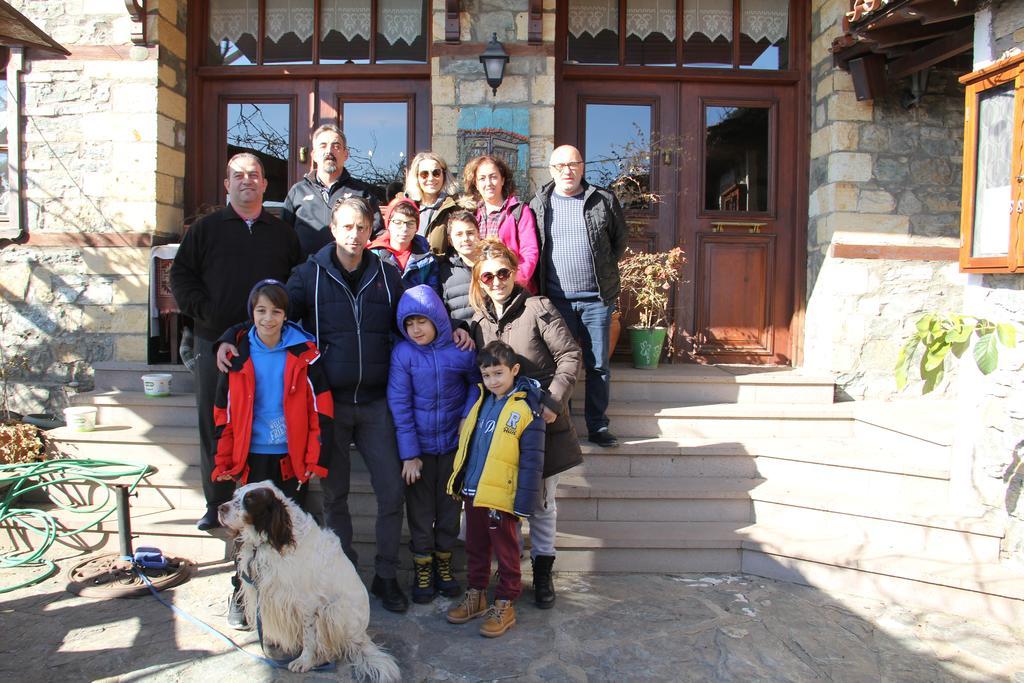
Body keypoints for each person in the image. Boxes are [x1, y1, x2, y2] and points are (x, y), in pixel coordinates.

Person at [216, 197, 473, 613]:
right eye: (346, 227)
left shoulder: (388, 276)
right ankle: (346, 572)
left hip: (377, 404)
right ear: (333, 229)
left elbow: (420, 310)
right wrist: (232, 333)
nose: (354, 235)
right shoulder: (308, 275)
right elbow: (271, 311)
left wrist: (456, 326)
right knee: (335, 497)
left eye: (361, 228)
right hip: (329, 405)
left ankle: (386, 575)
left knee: (392, 493)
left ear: (371, 231)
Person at [170, 152, 302, 531]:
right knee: (216, 425)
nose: (247, 180)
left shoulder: (282, 233)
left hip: (268, 346)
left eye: (254, 175)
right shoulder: (206, 230)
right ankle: (217, 503)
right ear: (227, 184)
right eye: (238, 175)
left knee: (266, 420)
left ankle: (270, 504)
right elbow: (181, 277)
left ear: (264, 184)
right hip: (215, 343)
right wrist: (205, 313)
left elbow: (296, 281)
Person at [467, 238, 583, 609]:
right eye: (488, 276)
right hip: (499, 432)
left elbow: (569, 354)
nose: (497, 281)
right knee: (501, 502)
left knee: (543, 503)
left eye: (503, 272)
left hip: (541, 424)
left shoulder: (537, 308)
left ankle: (543, 569)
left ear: (514, 272)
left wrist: (552, 401)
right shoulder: (477, 321)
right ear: (479, 280)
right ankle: (507, 569)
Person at [210, 279, 333, 629]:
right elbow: (223, 411)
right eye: (261, 311)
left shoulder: (304, 352)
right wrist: (224, 458)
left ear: (285, 314)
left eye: (275, 311)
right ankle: (241, 595)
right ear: (251, 313)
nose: (268, 319)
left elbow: (320, 409)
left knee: (285, 532)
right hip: (250, 456)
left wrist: (314, 458)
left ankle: (286, 600)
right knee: (245, 533)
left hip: (289, 458)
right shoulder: (236, 352)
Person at [530, 144, 628, 449]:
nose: (567, 171)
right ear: (551, 170)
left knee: (598, 365)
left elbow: (618, 243)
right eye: (560, 166)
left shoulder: (603, 200)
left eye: (572, 164)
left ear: (582, 167)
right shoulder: (538, 204)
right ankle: (564, 427)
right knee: (563, 366)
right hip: (556, 300)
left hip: (596, 298)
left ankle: (598, 426)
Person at [445, 340, 544, 638]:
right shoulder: (481, 401)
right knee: (475, 545)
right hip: (475, 492)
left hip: (503, 497)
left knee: (507, 550)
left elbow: (532, 461)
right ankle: (476, 594)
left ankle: (505, 601)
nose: (493, 381)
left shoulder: (526, 407)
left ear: (514, 370)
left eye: (498, 374)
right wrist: (460, 481)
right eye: (487, 375)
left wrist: (523, 502)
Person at [387, 284, 478, 604]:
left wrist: (467, 417)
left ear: (438, 319)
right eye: (409, 324)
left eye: (421, 322)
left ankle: (444, 566)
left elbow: (475, 386)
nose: (415, 329)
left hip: (453, 448)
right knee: (421, 515)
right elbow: (400, 405)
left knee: (450, 513)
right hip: (421, 453)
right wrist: (409, 455)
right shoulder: (403, 354)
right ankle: (423, 568)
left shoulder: (460, 350)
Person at [282, 124, 384, 258]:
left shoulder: (362, 193)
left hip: (348, 276)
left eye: (336, 146)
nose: (329, 151)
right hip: (306, 274)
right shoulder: (297, 192)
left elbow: (378, 236)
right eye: (323, 146)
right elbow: (282, 237)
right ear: (314, 155)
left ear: (346, 154)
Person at [463, 155, 539, 292]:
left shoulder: (519, 212)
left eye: (493, 177)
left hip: (514, 289)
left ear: (502, 179)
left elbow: (530, 252)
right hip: (483, 288)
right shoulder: (472, 215)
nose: (488, 183)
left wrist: (514, 283)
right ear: (476, 183)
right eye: (482, 178)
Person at [368, 197, 439, 293]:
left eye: (410, 223)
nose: (404, 229)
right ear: (388, 224)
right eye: (398, 222)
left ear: (416, 228)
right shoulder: (373, 256)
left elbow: (433, 294)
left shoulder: (427, 258)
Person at [403, 152, 462, 255]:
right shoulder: (406, 208)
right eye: (424, 174)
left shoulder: (456, 208)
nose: (430, 178)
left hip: (444, 270)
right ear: (417, 178)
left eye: (436, 173)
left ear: (443, 175)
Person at [438, 209, 481, 321]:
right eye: (459, 234)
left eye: (470, 233)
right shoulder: (444, 272)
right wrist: (455, 327)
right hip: (461, 336)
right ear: (450, 240)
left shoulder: (491, 265)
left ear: (478, 234)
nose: (465, 239)